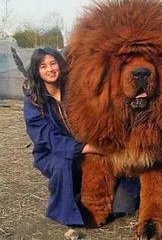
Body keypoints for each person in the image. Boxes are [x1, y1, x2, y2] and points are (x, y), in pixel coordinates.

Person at [21, 47, 140, 226]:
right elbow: (47, 137)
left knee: (123, 200)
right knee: (63, 163)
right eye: (43, 66)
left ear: (60, 65)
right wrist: (85, 148)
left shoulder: (74, 89)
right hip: (53, 152)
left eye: (53, 63)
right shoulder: (34, 101)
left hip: (85, 145)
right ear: (37, 71)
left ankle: (118, 195)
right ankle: (67, 214)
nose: (50, 69)